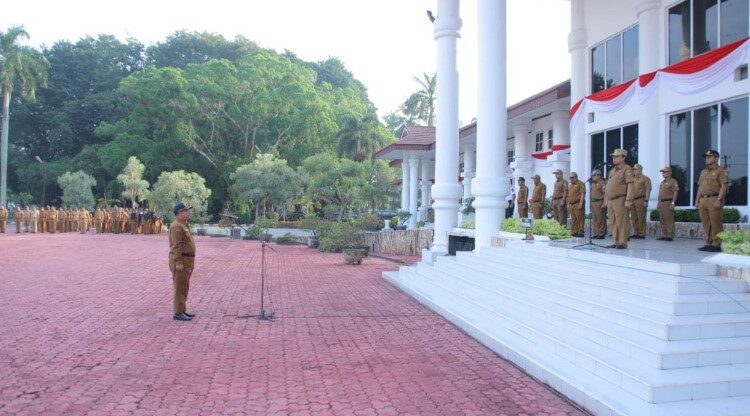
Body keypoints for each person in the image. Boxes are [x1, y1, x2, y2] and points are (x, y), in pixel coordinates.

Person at [696, 150, 729, 252]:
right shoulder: (703, 172)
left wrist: (719, 199)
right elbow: (700, 187)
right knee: (706, 222)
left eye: (709, 157)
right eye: (706, 157)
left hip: (714, 198)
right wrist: (697, 200)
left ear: (716, 158)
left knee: (715, 222)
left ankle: (717, 244)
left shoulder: (721, 170)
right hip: (703, 199)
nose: (707, 159)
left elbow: (724, 185)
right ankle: (709, 242)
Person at [169, 203, 196, 321]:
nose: (188, 212)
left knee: (184, 286)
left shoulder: (183, 225)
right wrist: (178, 262)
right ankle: (178, 312)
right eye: (186, 211)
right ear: (180, 213)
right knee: (179, 287)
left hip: (187, 260)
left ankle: (182, 309)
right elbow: (176, 246)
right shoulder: (176, 226)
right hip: (181, 260)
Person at [603, 149, 634, 249]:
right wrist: (606, 199)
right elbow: (609, 185)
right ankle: (616, 241)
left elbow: (630, 185)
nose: (614, 158)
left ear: (623, 157)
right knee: (613, 222)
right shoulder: (612, 170)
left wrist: (629, 200)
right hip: (611, 200)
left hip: (620, 199)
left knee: (622, 221)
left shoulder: (627, 169)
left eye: (616, 156)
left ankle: (622, 242)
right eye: (613, 157)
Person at [657, 166, 679, 242]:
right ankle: (664, 234)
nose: (663, 173)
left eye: (665, 172)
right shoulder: (662, 182)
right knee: (662, 219)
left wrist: (673, 203)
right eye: (662, 172)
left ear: (670, 173)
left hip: (668, 202)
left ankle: (670, 235)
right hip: (661, 202)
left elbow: (675, 192)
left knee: (669, 219)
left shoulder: (673, 181)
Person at [630, 164, 652, 239]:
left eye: (635, 169)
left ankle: (641, 233)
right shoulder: (632, 179)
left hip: (640, 199)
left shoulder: (645, 179)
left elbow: (648, 190)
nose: (634, 171)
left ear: (640, 170)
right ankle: (636, 232)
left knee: (641, 217)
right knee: (634, 218)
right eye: (633, 169)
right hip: (633, 200)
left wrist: (646, 200)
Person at [567, 172, 586, 237]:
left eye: (572, 178)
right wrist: (568, 203)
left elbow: (583, 194)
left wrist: (581, 203)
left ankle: (580, 232)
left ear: (576, 177)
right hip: (571, 204)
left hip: (578, 203)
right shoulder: (570, 185)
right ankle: (574, 231)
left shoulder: (580, 184)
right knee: (573, 219)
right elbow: (569, 195)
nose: (571, 179)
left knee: (579, 218)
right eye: (570, 178)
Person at [590, 170, 607, 239]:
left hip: (600, 202)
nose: (593, 177)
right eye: (592, 175)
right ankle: (596, 233)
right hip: (593, 202)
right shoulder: (593, 184)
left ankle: (601, 233)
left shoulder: (602, 183)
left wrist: (604, 203)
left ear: (599, 175)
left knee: (601, 218)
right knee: (595, 219)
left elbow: (605, 193)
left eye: (594, 175)